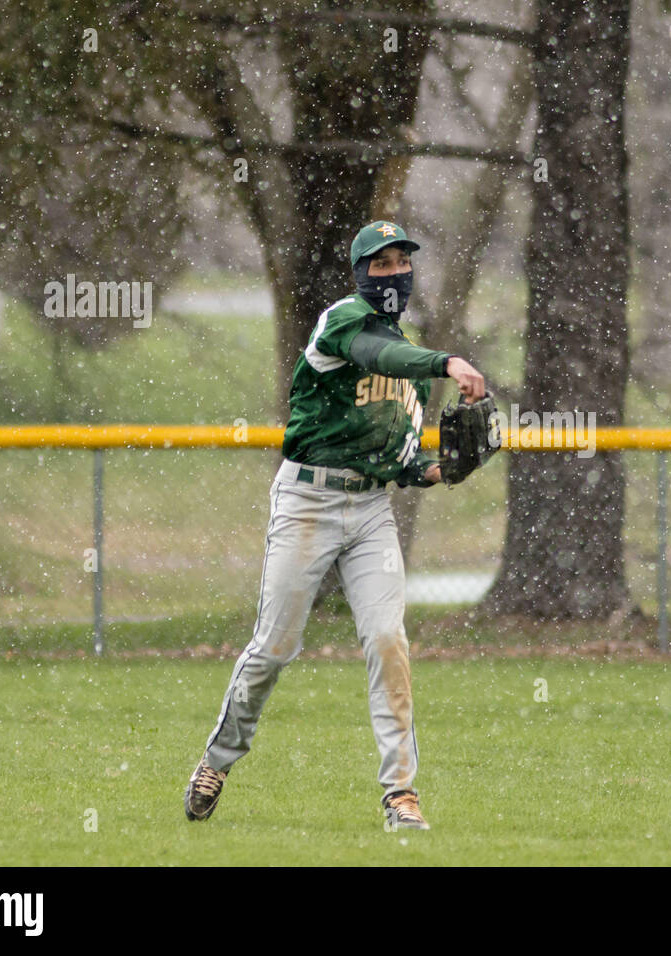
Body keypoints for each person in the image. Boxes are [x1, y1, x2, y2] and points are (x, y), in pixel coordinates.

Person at [184, 220, 485, 831]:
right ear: (359, 274)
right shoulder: (343, 322)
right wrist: (446, 361)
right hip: (308, 505)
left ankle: (401, 795)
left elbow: (397, 460)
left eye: (402, 261)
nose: (393, 272)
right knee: (273, 649)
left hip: (371, 510)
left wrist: (437, 472)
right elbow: (377, 353)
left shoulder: (408, 357)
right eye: (380, 264)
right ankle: (218, 758)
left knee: (387, 640)